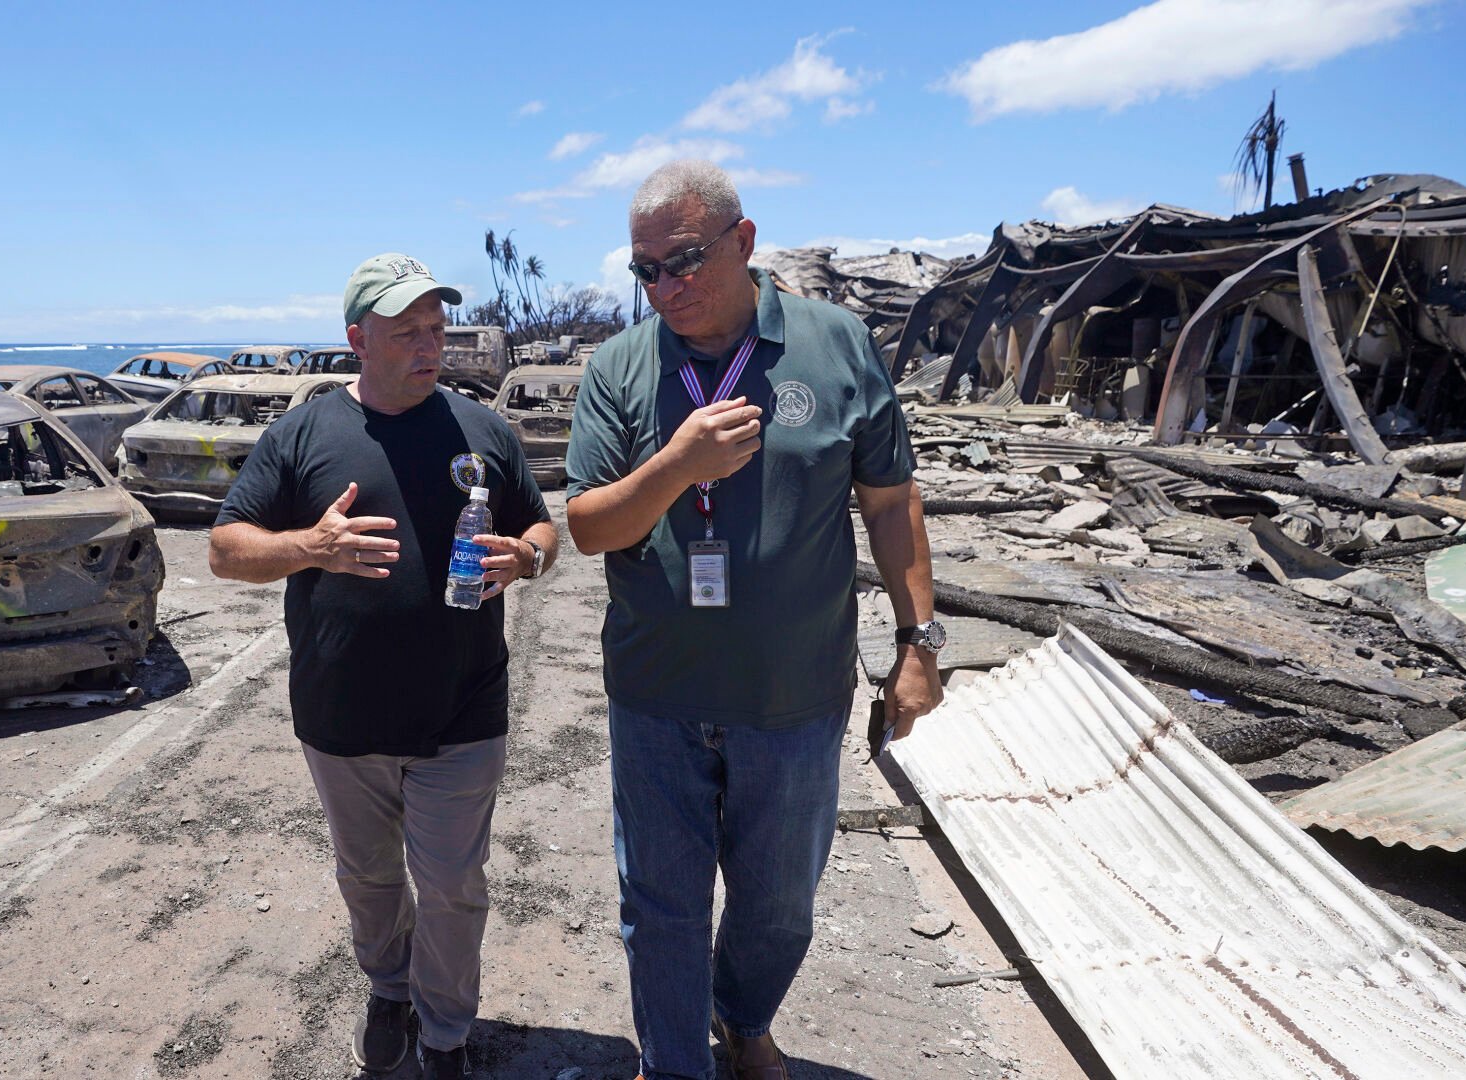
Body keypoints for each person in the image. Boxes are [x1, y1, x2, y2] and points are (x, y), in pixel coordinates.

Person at [564, 161, 944, 1080]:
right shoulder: (620, 368)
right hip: (657, 693)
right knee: (660, 903)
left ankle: (743, 1017)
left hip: (794, 695)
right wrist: (677, 464)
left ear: (742, 242)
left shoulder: (835, 343)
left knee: (779, 905)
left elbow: (891, 504)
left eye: (684, 259)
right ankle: (673, 1064)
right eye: (644, 269)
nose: (665, 286)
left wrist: (918, 644)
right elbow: (588, 527)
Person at [209, 253, 559, 1079]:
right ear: (357, 339)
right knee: (367, 875)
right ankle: (388, 987)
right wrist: (308, 547)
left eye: (436, 330)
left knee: (450, 885)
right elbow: (226, 549)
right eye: (406, 332)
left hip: (463, 712)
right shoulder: (303, 432)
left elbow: (542, 529)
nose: (428, 346)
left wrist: (527, 560)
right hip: (340, 716)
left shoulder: (484, 431)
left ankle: (444, 1035)